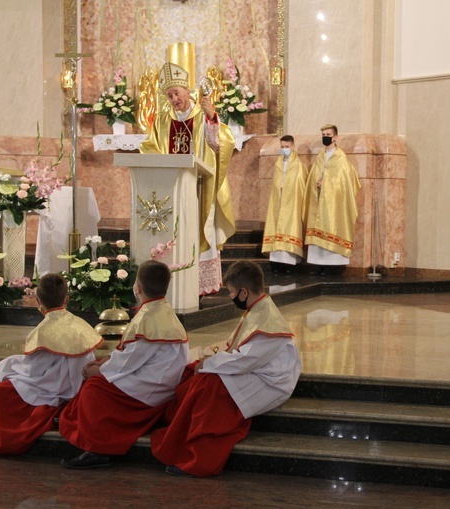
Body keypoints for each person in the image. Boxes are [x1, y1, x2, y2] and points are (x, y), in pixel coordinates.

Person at [151, 261, 301, 477]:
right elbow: (238, 349)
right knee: (193, 371)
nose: (231, 297)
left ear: (244, 292)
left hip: (271, 382)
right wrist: (207, 361)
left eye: (231, 292)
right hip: (256, 370)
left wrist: (209, 364)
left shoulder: (268, 320)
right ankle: (179, 429)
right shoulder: (257, 308)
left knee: (209, 384)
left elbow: (244, 361)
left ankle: (199, 457)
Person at [59, 260, 190, 469]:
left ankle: (99, 449)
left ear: (137, 288)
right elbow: (132, 355)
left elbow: (128, 362)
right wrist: (106, 363)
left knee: (94, 390)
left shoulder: (148, 317)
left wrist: (99, 370)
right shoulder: (163, 311)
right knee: (95, 382)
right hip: (158, 381)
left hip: (151, 388)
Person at [0, 273, 103, 455]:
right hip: (76, 384)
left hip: (50, 387)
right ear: (67, 299)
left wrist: (10, 365)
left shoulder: (42, 332)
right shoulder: (82, 325)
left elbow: (33, 371)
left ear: (38, 300)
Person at [140, 62, 236, 296]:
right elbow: (150, 148)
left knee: (200, 228)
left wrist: (212, 118)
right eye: (169, 95)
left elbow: (220, 145)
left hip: (199, 188)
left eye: (177, 93)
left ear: (187, 92)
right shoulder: (162, 120)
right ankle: (174, 277)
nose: (174, 99)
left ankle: (199, 284)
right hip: (172, 189)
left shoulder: (202, 115)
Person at [303, 124, 361, 275]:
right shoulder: (320, 157)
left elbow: (344, 184)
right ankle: (319, 264)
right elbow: (314, 176)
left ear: (335, 137)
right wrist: (317, 182)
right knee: (318, 228)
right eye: (323, 134)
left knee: (331, 226)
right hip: (318, 199)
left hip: (333, 205)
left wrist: (326, 183)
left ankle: (332, 266)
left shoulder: (341, 159)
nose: (325, 137)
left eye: (328, 134)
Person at [262, 135, 309, 274]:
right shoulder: (278, 164)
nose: (284, 150)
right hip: (278, 201)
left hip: (291, 203)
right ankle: (276, 262)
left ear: (293, 147)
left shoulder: (299, 166)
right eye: (282, 147)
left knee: (289, 226)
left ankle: (289, 263)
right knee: (276, 226)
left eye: (287, 147)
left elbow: (300, 185)